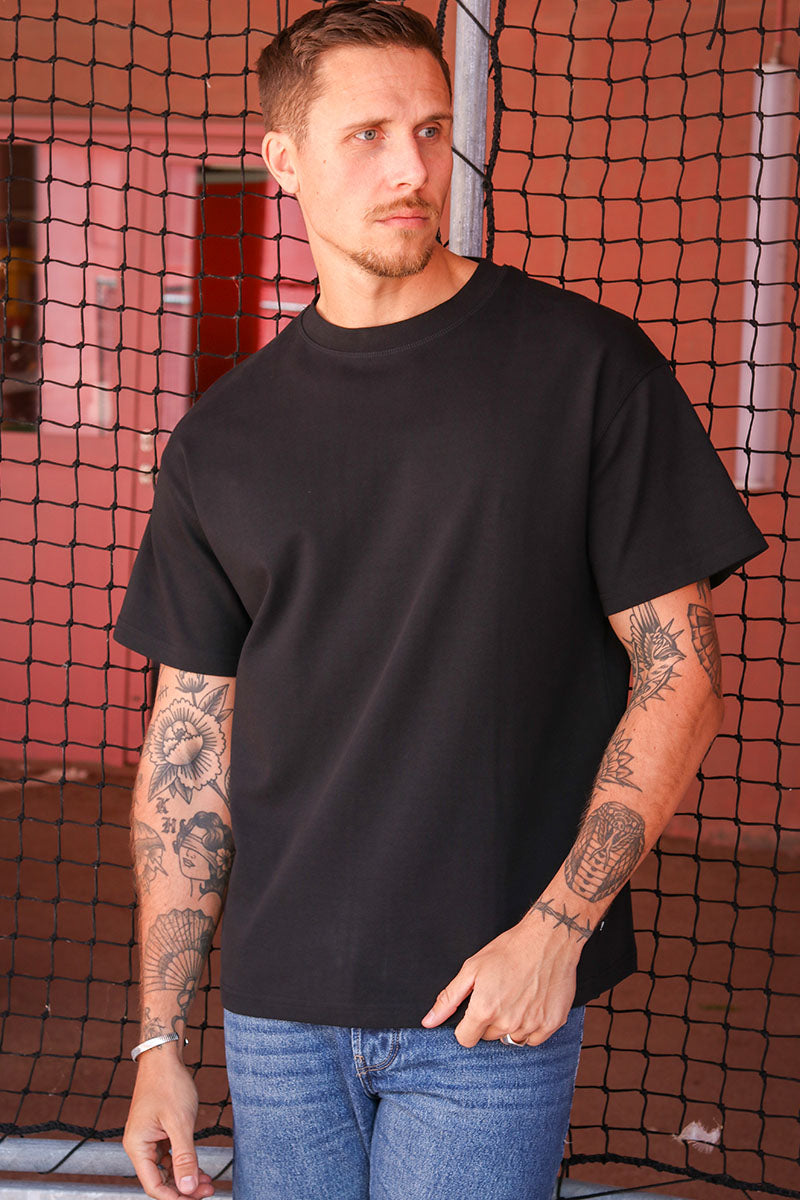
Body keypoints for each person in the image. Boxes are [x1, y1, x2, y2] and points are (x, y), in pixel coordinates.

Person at [115, 3, 767, 1198]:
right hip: (276, 1015)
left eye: (428, 128)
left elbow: (680, 676)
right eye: (366, 134)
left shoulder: (585, 369)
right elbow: (188, 747)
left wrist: (556, 931)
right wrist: (160, 1039)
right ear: (283, 160)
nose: (411, 167)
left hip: (486, 1005)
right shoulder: (223, 439)